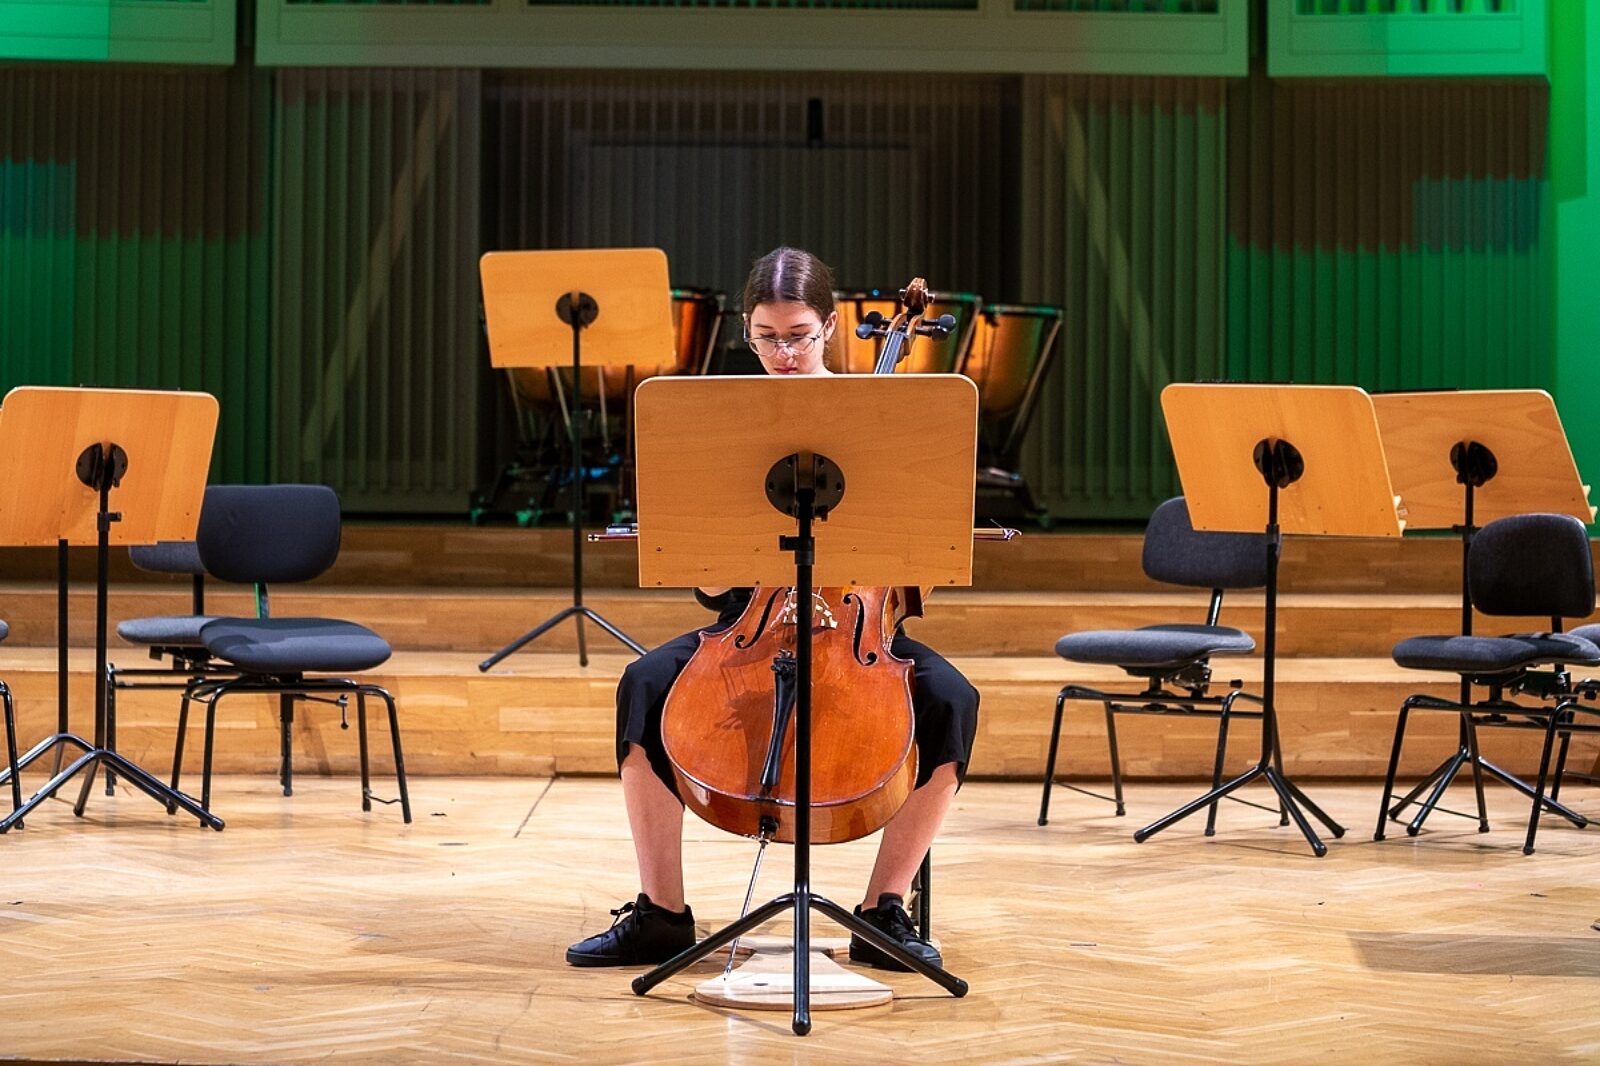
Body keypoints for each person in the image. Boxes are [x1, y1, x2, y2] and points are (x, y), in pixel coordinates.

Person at [566, 246, 979, 971]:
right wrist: (708, 552)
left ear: (830, 328)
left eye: (799, 336)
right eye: (767, 337)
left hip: (856, 625)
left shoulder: (887, 421)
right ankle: (661, 913)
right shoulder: (727, 422)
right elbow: (710, 582)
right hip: (754, 621)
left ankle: (883, 909)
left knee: (952, 699)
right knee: (644, 683)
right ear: (746, 332)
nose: (784, 354)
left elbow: (923, 550)